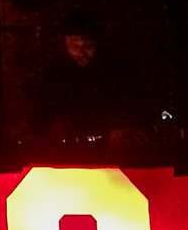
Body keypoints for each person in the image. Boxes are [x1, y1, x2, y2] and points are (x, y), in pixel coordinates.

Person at [26, 10, 146, 143]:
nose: (81, 52)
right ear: (65, 44)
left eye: (87, 46)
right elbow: (41, 113)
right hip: (67, 146)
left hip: (110, 145)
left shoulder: (117, 72)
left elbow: (134, 108)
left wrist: (123, 130)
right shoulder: (54, 74)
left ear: (97, 44)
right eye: (74, 46)